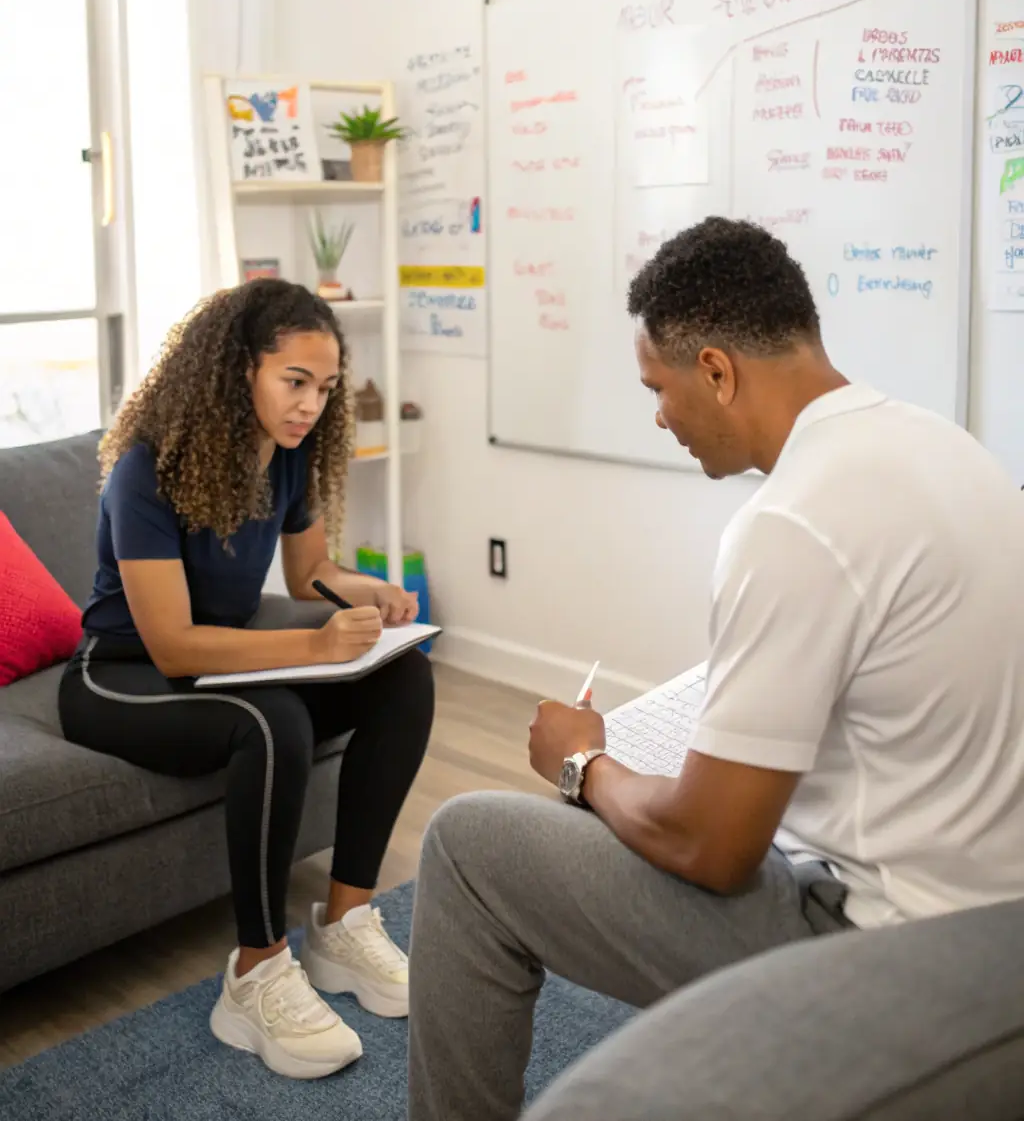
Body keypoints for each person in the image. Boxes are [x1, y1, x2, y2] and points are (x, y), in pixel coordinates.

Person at [407, 216, 1024, 1121]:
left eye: (658, 388)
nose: (660, 417)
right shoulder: (949, 448)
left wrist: (584, 763)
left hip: (883, 944)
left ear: (717, 371)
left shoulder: (790, 524)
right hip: (994, 911)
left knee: (466, 845)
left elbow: (714, 849)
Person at [59, 278, 434, 1081]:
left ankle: (342, 928)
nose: (311, 405)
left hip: (209, 663)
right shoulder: (147, 468)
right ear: (239, 370)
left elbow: (310, 571)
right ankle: (255, 973)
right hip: (119, 676)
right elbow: (171, 647)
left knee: (405, 679)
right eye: (294, 380)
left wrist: (369, 592)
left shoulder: (287, 458)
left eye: (324, 387)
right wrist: (317, 644)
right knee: (273, 721)